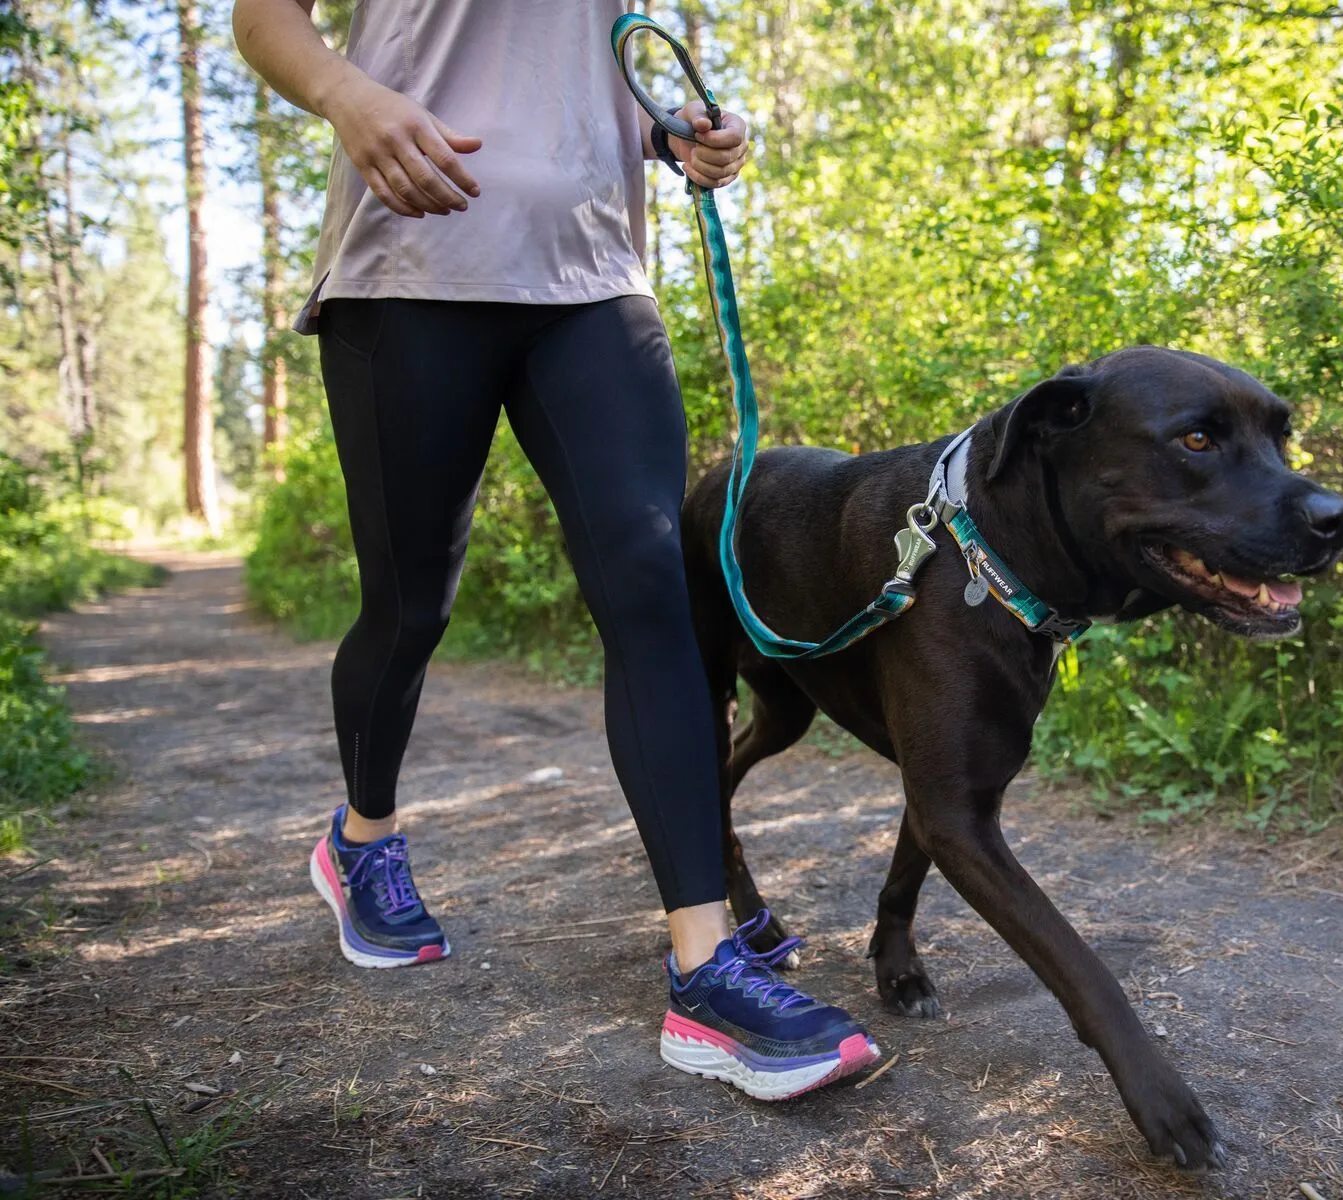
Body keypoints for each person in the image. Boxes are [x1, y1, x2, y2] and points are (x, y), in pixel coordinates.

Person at [232, 0, 879, 1101]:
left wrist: (671, 131)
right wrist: (349, 95)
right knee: (411, 604)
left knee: (652, 591)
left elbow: (574, 80)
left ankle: (706, 970)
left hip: (591, 279)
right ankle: (361, 839)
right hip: (412, 261)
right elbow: (262, 16)